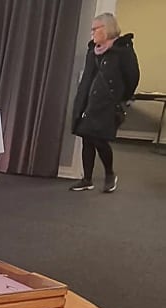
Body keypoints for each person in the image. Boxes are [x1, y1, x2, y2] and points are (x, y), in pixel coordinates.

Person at [71, 12, 140, 193]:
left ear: (107, 28)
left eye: (95, 29)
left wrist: (122, 97)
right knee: (86, 138)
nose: (92, 32)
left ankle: (109, 174)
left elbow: (132, 77)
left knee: (99, 139)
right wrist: (81, 101)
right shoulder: (92, 50)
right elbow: (88, 77)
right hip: (89, 102)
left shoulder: (122, 51)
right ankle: (87, 179)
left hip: (108, 104)